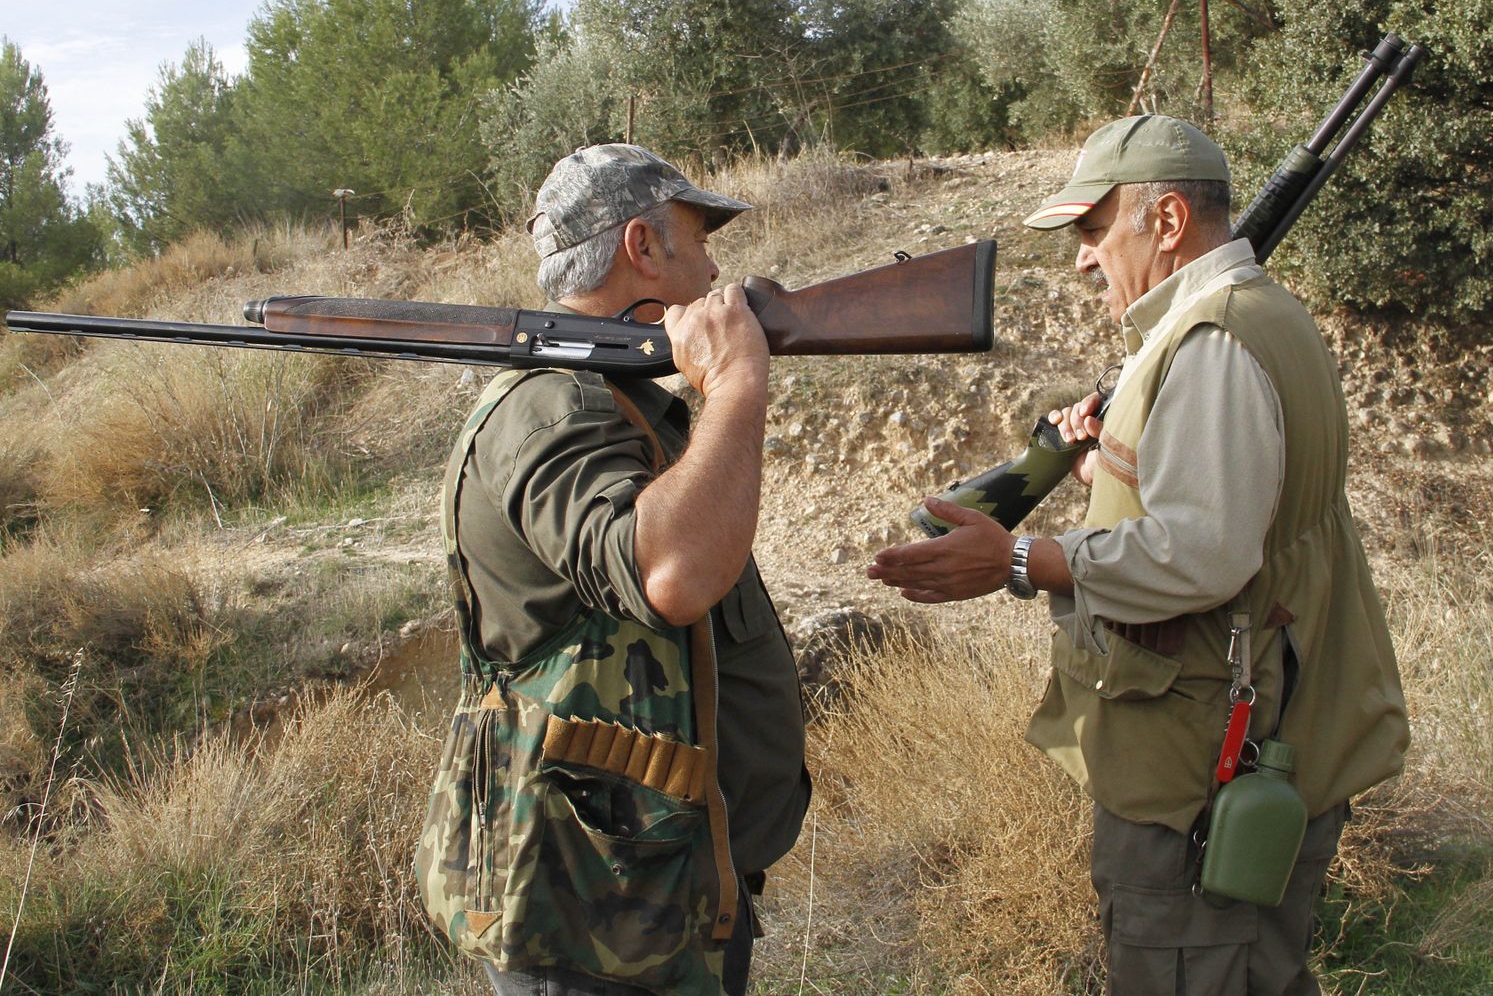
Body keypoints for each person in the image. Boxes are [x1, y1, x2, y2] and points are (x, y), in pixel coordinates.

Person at [867, 115, 1408, 993]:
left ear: (1166, 222)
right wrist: (1105, 463)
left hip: (1202, 764)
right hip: (1256, 731)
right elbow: (1234, 500)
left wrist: (1021, 560)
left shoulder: (1212, 343)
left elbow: (1201, 553)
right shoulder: (1261, 316)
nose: (1083, 258)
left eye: (1093, 228)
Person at [414, 144, 811, 996]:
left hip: (652, 897)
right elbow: (672, 572)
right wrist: (736, 382)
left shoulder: (615, 400)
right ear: (643, 245)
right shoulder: (550, 408)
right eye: (699, 242)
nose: (715, 271)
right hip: (590, 923)